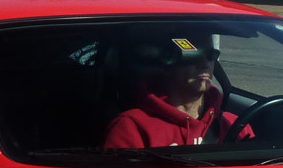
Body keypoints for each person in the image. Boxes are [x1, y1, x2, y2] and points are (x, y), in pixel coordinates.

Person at [104, 38, 251, 147]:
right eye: (193, 55)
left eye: (211, 55)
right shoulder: (133, 128)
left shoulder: (234, 125)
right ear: (167, 64)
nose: (205, 64)